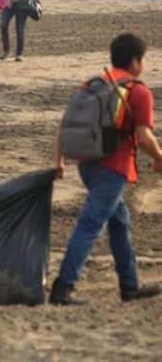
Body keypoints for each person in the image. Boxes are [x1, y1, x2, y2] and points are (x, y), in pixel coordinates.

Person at [51, 33, 162, 304]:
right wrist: (160, 157)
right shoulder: (137, 91)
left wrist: (59, 161)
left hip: (87, 164)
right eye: (143, 59)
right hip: (113, 168)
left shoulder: (93, 83)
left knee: (119, 222)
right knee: (90, 225)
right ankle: (62, 287)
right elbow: (144, 136)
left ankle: (130, 285)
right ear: (135, 61)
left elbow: (65, 122)